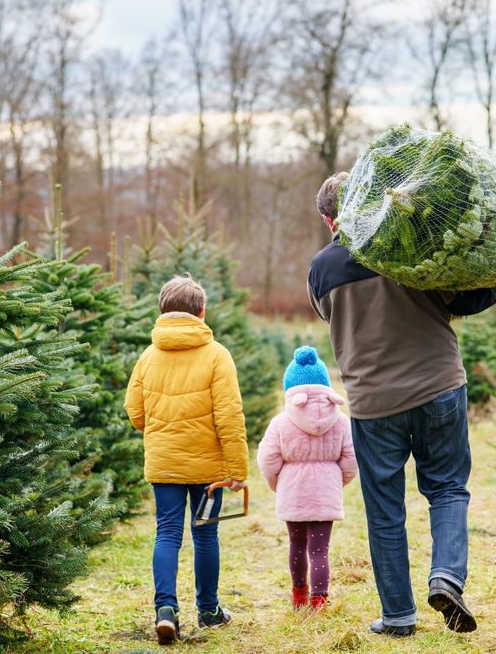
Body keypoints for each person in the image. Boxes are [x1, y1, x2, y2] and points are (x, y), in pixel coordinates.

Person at [307, 172, 496, 637]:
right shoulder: (408, 249)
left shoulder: (320, 270)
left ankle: (398, 616)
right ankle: (446, 577)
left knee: (384, 511)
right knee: (447, 488)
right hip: (438, 386)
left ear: (328, 218)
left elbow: (327, 315)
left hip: (373, 404)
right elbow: (470, 296)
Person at [124, 274, 249, 646]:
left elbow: (134, 411)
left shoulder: (148, 356)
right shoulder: (217, 355)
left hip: (164, 464)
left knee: (167, 533)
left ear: (162, 310)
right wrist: (238, 470)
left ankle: (166, 611)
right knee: (206, 533)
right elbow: (230, 415)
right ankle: (209, 611)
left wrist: (161, 429)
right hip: (209, 469)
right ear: (202, 311)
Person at [257, 346, 357, 612]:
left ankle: (299, 596)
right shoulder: (342, 421)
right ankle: (320, 601)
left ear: (290, 386)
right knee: (320, 549)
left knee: (297, 544)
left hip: (293, 490)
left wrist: (277, 484)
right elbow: (351, 458)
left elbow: (267, 459)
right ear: (324, 384)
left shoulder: (280, 422)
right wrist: (339, 481)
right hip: (326, 491)